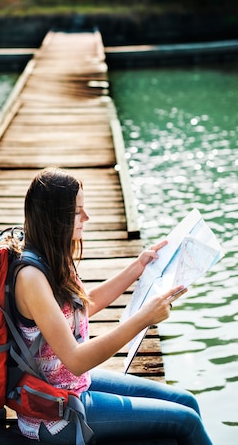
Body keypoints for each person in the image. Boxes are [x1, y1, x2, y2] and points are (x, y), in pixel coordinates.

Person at [13, 167, 213, 445]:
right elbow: (77, 359)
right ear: (55, 218)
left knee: (186, 401)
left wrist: (138, 267)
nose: (86, 218)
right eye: (77, 212)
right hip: (56, 412)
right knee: (186, 422)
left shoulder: (51, 257)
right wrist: (143, 318)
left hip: (73, 384)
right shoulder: (31, 278)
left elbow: (82, 307)